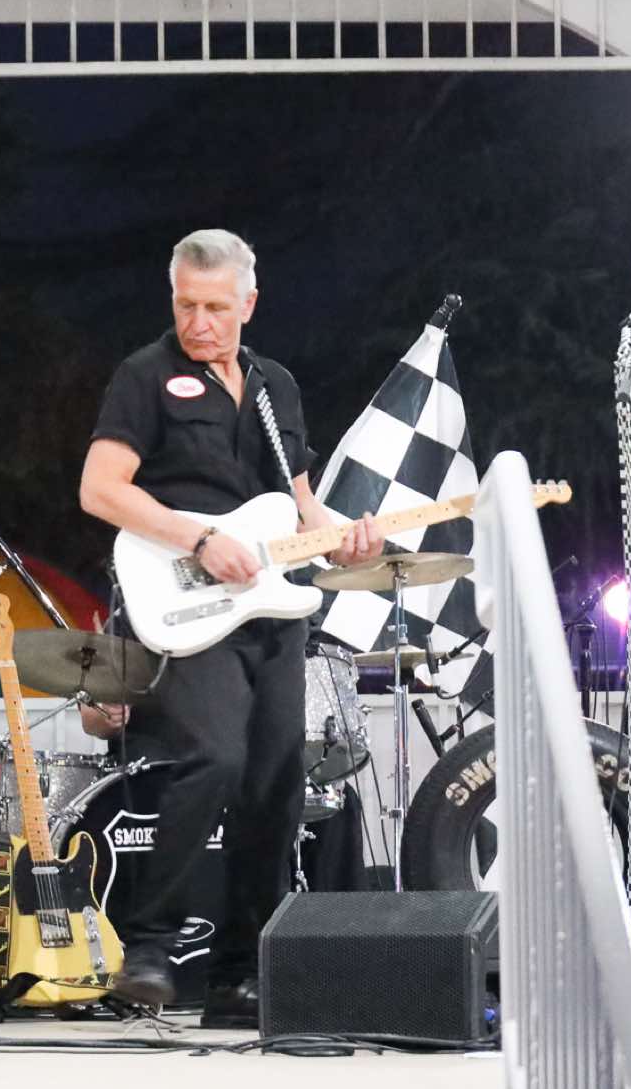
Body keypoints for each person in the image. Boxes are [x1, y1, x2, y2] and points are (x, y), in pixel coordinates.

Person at [77, 229, 383, 1027]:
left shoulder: (276, 386)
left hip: (272, 609)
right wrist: (201, 538)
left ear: (250, 301)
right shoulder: (144, 375)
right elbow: (100, 489)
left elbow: (301, 508)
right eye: (186, 304)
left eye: (216, 306)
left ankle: (241, 973)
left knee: (275, 782)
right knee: (213, 756)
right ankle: (149, 945)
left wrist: (346, 537)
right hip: (187, 603)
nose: (199, 322)